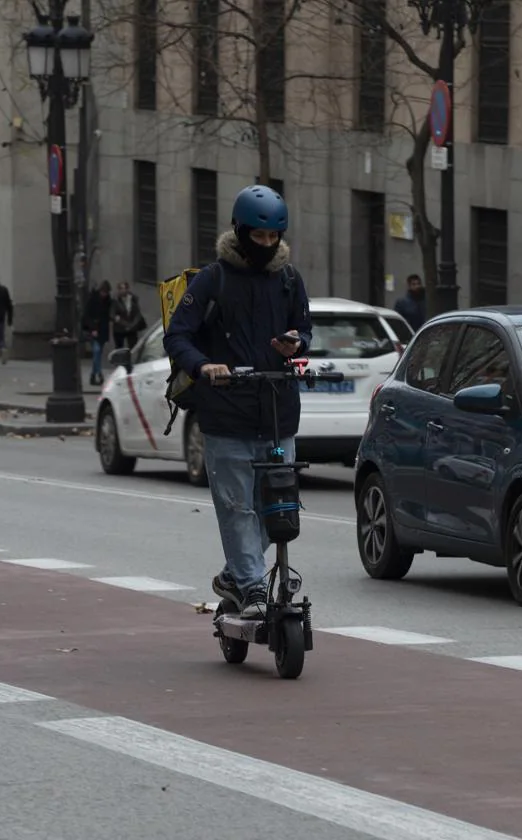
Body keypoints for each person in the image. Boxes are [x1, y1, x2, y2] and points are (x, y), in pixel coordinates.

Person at [163, 184, 313, 620]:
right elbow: (178, 335)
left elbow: (304, 330)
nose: (265, 246)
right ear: (239, 230)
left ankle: (233, 575)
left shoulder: (289, 279)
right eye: (258, 237)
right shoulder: (215, 278)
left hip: (277, 412)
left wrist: (295, 344)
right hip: (226, 416)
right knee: (236, 508)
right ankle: (251, 590)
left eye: (273, 238)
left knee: (277, 511)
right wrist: (204, 366)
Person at [81, 281, 112, 386]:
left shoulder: (108, 301)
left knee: (97, 354)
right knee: (97, 350)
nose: (105, 294)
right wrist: (92, 328)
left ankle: (93, 376)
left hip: (102, 331)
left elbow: (107, 315)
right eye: (103, 292)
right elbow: (86, 315)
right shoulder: (93, 300)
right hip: (93, 330)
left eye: (106, 292)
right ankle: (99, 373)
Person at [111, 281, 146, 350]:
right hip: (120, 328)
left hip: (132, 328)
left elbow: (138, 314)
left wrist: (132, 325)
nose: (123, 290)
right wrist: (125, 324)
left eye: (124, 288)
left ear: (127, 289)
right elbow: (112, 314)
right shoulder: (115, 300)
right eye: (121, 289)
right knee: (119, 348)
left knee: (133, 347)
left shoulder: (133, 299)